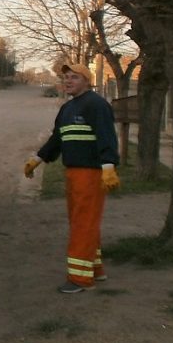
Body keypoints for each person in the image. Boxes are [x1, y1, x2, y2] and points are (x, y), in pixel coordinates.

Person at [24, 63, 120, 293]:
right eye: (66, 77)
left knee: (82, 224)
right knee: (83, 222)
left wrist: (108, 167)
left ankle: (79, 279)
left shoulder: (97, 105)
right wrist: (38, 159)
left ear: (87, 80)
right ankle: (95, 269)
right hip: (74, 173)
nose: (68, 81)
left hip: (91, 174)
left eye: (74, 77)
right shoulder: (67, 109)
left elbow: (106, 137)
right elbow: (57, 139)